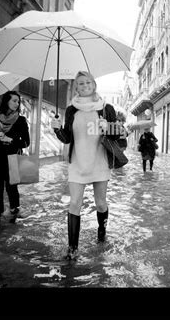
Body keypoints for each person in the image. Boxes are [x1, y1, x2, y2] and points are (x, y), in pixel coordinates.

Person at [51, 71, 120, 260]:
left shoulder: (107, 109)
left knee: (100, 203)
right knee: (74, 203)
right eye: (81, 83)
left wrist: (109, 128)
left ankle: (101, 234)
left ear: (94, 85)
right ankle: (72, 249)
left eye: (88, 82)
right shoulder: (71, 110)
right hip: (77, 162)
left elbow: (118, 136)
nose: (85, 86)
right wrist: (57, 128)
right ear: (76, 87)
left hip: (99, 162)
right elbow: (67, 137)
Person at [0, 91, 30, 223]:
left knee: (12, 186)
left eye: (18, 101)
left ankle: (15, 210)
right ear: (7, 101)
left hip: (13, 156)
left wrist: (10, 139)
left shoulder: (21, 120)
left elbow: (26, 142)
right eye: (14, 100)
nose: (17, 103)